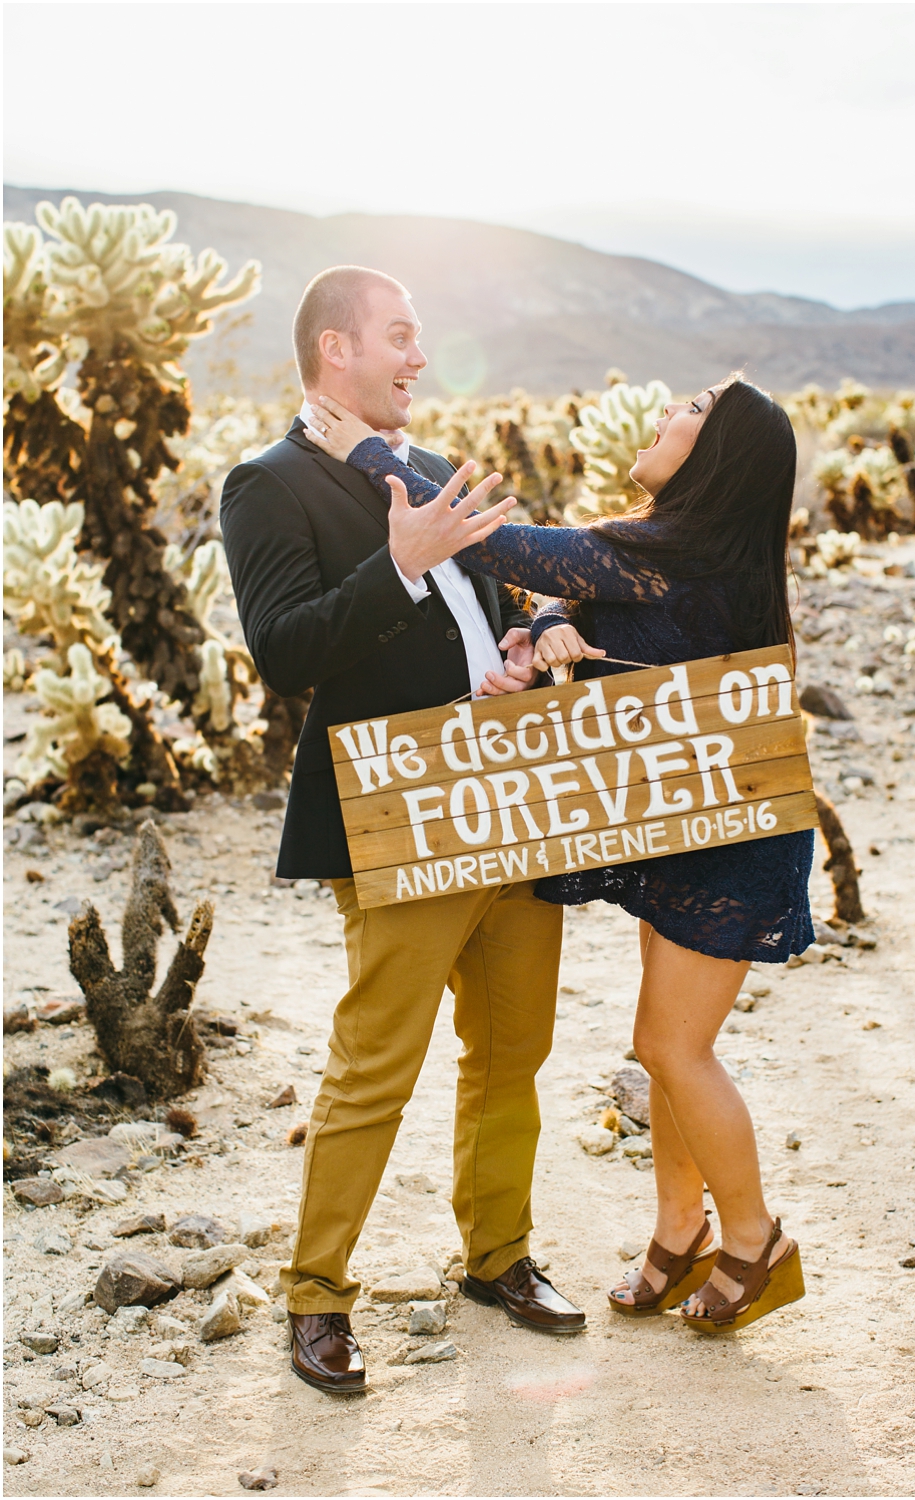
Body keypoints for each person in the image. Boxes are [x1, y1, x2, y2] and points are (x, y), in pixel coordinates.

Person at [303, 373, 814, 1333]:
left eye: (692, 411)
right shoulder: (670, 551)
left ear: (718, 458)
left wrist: (370, 455)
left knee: (671, 1045)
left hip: (729, 836)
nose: (668, 413)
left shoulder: (679, 548)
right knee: (667, 1051)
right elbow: (573, 604)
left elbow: (502, 546)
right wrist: (545, 628)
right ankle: (679, 1233)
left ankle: (755, 1243)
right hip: (687, 822)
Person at [219, 266, 584, 1398]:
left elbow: (512, 598)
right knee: (377, 1063)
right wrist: (402, 565)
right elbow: (285, 652)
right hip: (400, 816)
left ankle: (498, 1258)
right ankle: (318, 1294)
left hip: (508, 798)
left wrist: (530, 647)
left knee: (513, 1051)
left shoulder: (428, 472)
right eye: (400, 337)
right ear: (336, 349)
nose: (418, 358)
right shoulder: (266, 485)